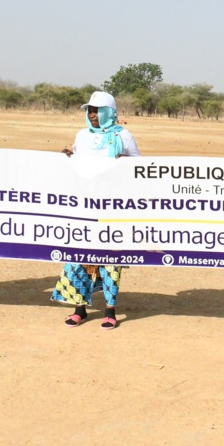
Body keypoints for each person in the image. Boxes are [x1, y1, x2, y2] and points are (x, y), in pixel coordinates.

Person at [50, 91, 140, 329]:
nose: (92, 115)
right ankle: (80, 309)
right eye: (89, 111)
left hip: (112, 209)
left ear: (109, 113)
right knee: (78, 258)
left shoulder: (124, 136)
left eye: (97, 111)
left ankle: (109, 311)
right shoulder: (82, 136)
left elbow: (140, 168)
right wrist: (66, 160)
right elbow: (77, 167)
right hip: (83, 207)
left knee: (110, 260)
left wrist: (125, 163)